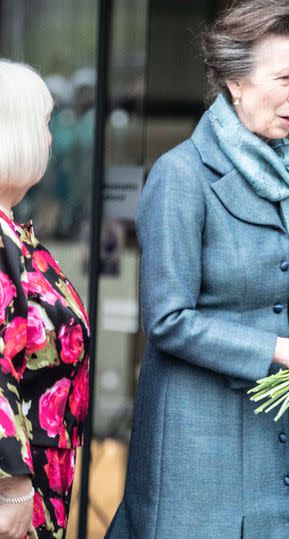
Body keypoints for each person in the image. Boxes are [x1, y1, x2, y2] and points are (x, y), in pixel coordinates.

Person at [105, 1, 289, 537]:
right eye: (285, 79)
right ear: (235, 82)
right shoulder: (181, 175)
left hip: (277, 436)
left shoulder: (284, 170)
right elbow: (166, 319)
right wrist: (281, 349)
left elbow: (287, 288)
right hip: (201, 450)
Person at [0, 59, 91, 539]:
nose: (51, 139)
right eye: (43, 124)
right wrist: (14, 486)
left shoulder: (12, 231)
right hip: (13, 489)